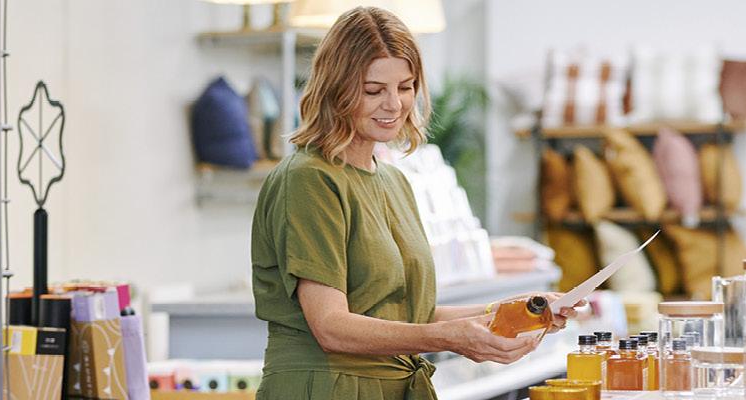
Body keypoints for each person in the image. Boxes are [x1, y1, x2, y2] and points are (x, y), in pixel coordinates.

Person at [247, 6, 581, 399]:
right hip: (328, 387)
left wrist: (518, 310)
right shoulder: (309, 179)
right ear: (335, 89)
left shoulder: (393, 180)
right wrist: (449, 338)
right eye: (373, 90)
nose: (393, 104)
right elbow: (330, 326)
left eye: (405, 87)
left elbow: (413, 318)